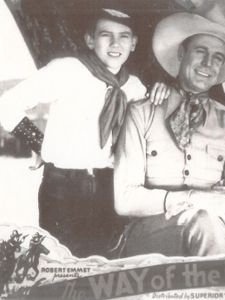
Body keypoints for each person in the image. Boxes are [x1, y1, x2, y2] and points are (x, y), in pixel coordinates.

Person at [114, 13, 225, 257]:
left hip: (214, 233)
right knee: (204, 221)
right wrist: (194, 199)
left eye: (217, 58)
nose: (208, 64)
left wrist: (219, 213)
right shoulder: (141, 112)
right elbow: (124, 200)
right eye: (200, 51)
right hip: (149, 236)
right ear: (181, 54)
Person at [0, 8, 169, 258]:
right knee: (64, 265)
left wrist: (162, 91)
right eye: (105, 35)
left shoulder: (134, 87)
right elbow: (7, 104)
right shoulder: (68, 71)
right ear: (90, 39)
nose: (115, 43)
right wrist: (40, 144)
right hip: (64, 187)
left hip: (110, 188)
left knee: (106, 266)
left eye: (124, 36)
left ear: (133, 44)